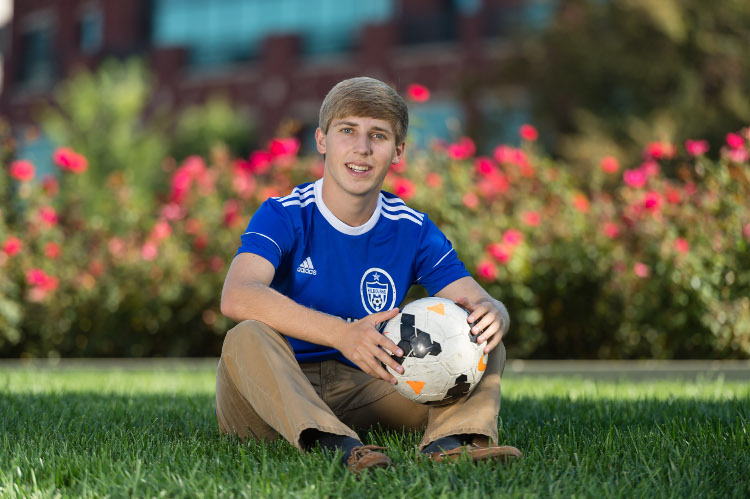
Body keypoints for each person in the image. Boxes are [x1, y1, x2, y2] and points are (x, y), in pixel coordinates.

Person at [216, 77, 522, 475]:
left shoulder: (412, 229)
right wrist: (343, 334)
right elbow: (237, 296)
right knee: (245, 336)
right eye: (348, 131)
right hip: (274, 394)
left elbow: (476, 300)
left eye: (377, 136)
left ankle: (453, 441)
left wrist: (495, 311)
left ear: (397, 151)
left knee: (482, 339)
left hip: (368, 388)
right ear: (322, 140)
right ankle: (335, 446)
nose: (361, 148)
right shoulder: (285, 213)